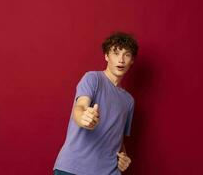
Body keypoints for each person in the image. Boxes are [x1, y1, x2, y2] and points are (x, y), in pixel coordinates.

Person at [53, 32, 139, 175]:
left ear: (132, 61)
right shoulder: (93, 79)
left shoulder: (129, 101)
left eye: (127, 55)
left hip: (108, 171)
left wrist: (123, 157)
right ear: (106, 56)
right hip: (73, 168)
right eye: (116, 53)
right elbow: (80, 107)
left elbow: (117, 137)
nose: (121, 60)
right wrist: (84, 117)